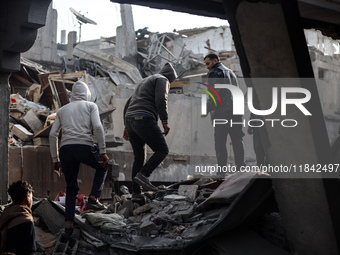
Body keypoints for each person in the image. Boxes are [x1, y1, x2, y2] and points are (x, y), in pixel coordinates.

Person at [49, 80, 110, 236]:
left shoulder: (62, 110)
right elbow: (97, 127)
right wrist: (102, 151)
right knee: (103, 166)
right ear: (87, 93)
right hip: (84, 146)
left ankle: (69, 224)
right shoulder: (91, 106)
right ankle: (94, 198)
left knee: (71, 187)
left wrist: (55, 159)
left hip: (65, 150)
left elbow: (52, 134)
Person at [123, 63, 177, 196]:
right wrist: (165, 121)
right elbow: (161, 99)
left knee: (139, 157)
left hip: (131, 119)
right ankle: (143, 175)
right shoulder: (162, 79)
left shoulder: (144, 81)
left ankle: (136, 192)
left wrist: (126, 125)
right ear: (170, 78)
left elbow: (128, 103)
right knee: (162, 150)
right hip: (144, 118)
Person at [203, 53, 245, 174]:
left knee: (220, 142)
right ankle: (240, 168)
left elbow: (214, 94)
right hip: (236, 112)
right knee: (237, 140)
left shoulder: (214, 72)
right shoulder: (231, 73)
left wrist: (206, 108)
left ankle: (221, 172)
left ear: (215, 61)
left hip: (222, 113)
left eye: (208, 63)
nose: (207, 67)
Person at [0, 180, 36, 255]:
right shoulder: (27, 221)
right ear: (27, 198)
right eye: (32, 198)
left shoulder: (5, 215)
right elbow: (29, 252)